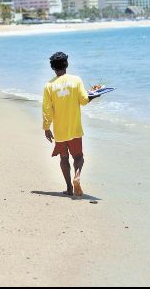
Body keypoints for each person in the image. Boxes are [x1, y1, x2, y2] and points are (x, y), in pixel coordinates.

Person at [42, 52, 95, 197]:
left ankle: (69, 188)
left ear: (53, 67)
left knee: (63, 158)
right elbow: (84, 100)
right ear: (67, 64)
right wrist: (95, 95)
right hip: (75, 128)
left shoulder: (49, 86)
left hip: (60, 130)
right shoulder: (76, 80)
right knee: (78, 157)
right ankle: (77, 175)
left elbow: (47, 109)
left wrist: (46, 127)